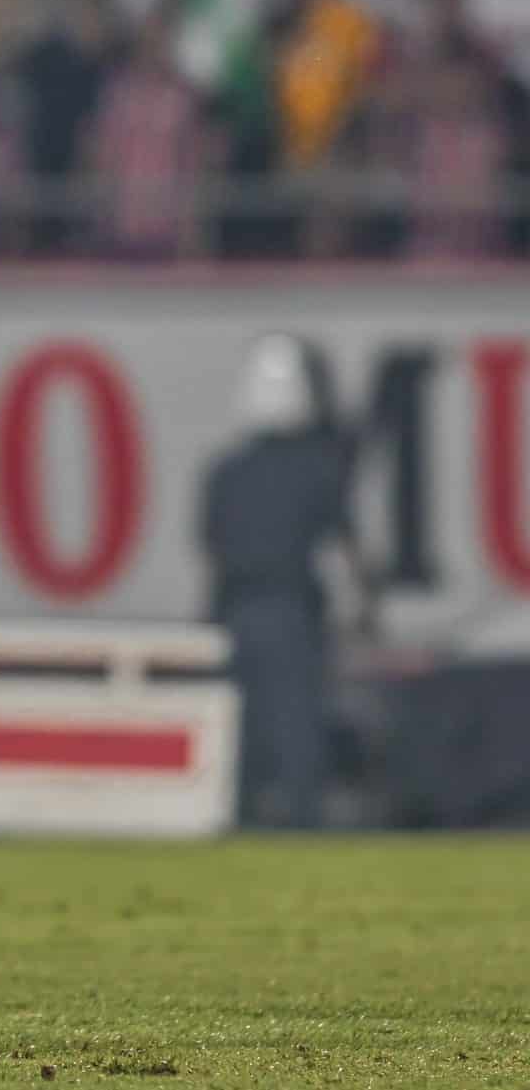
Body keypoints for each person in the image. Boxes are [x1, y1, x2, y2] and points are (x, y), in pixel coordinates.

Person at [198, 333, 363, 829]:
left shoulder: (225, 472)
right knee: (297, 730)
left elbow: (211, 546)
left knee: (237, 732)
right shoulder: (319, 468)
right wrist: (360, 613)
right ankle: (302, 825)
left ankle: (236, 821)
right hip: (292, 613)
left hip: (236, 611)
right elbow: (338, 553)